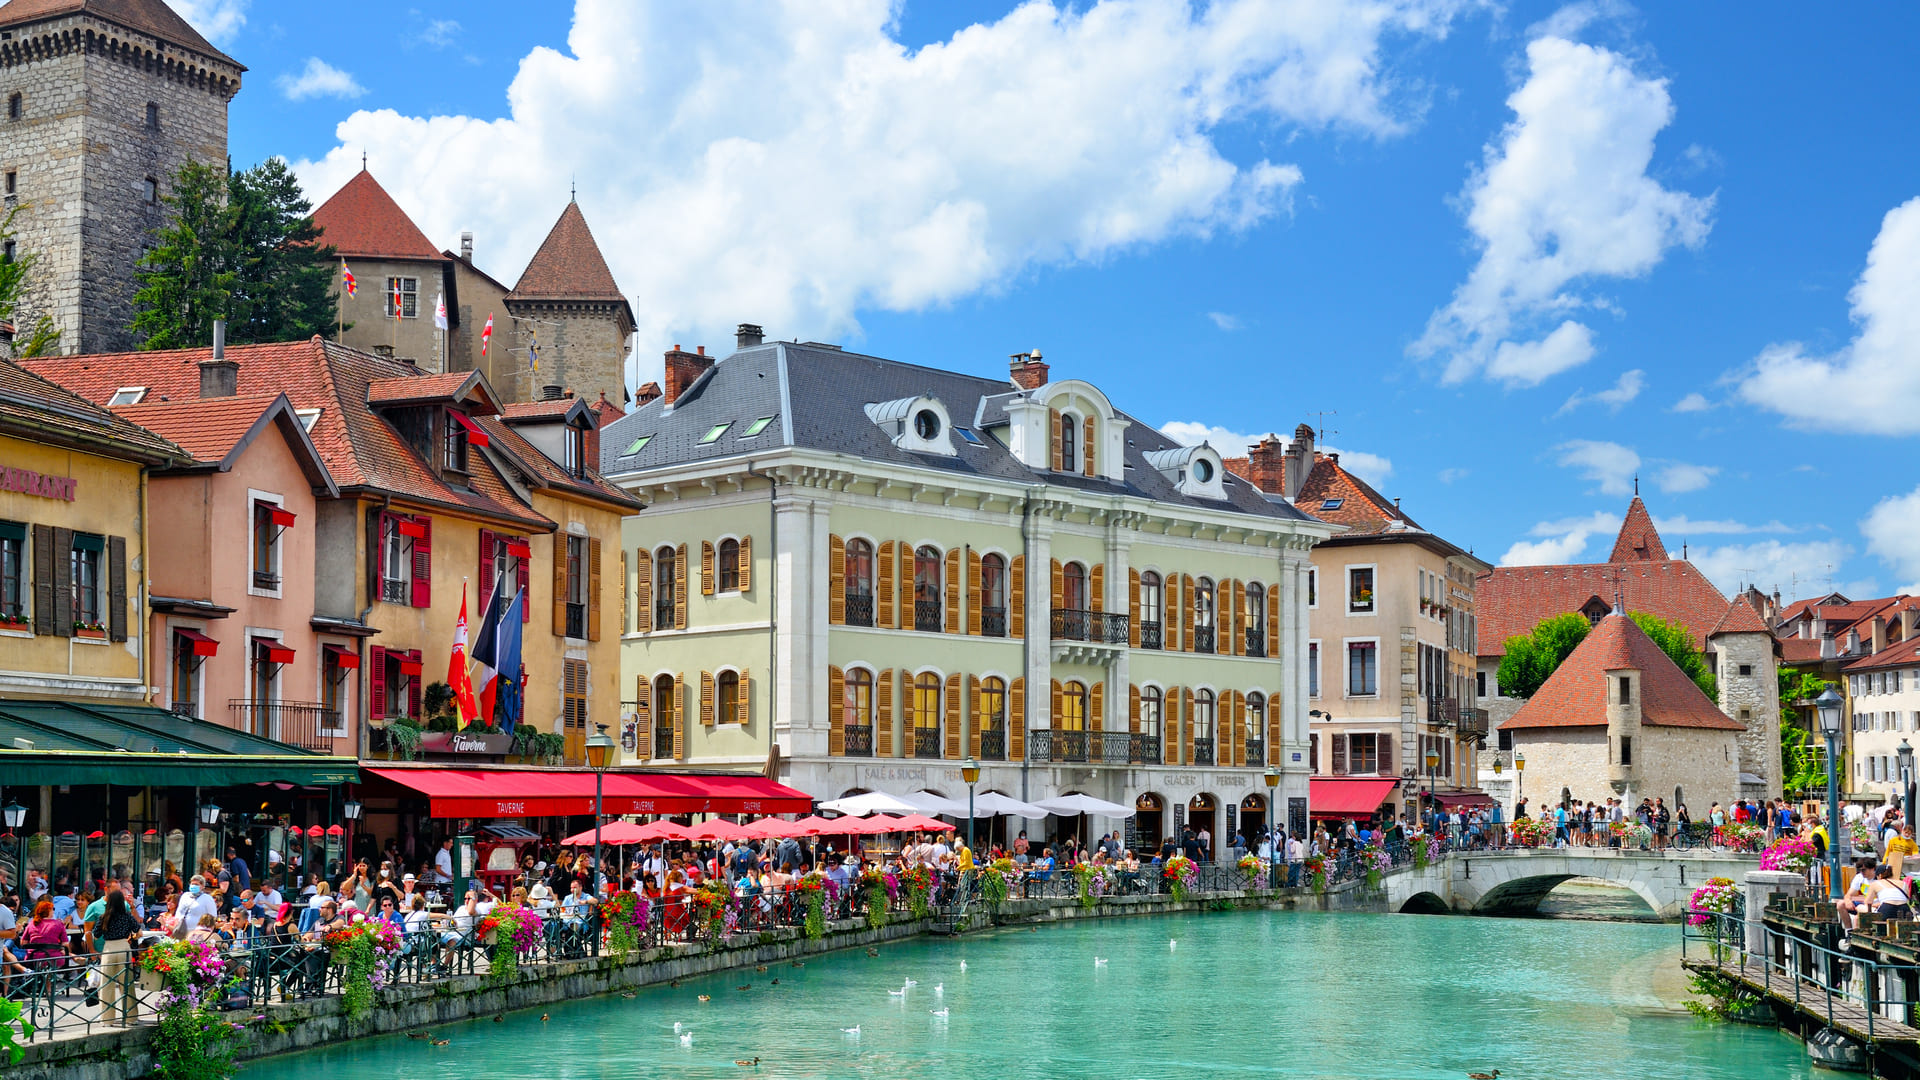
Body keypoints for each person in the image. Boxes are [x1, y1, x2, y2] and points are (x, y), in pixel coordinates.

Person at [96, 889, 141, 1026]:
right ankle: (131, 1017)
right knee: (127, 984)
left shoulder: (104, 917)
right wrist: (132, 937)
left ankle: (107, 1019)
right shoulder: (127, 917)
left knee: (106, 985)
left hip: (109, 949)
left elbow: (96, 934)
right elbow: (139, 932)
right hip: (123, 948)